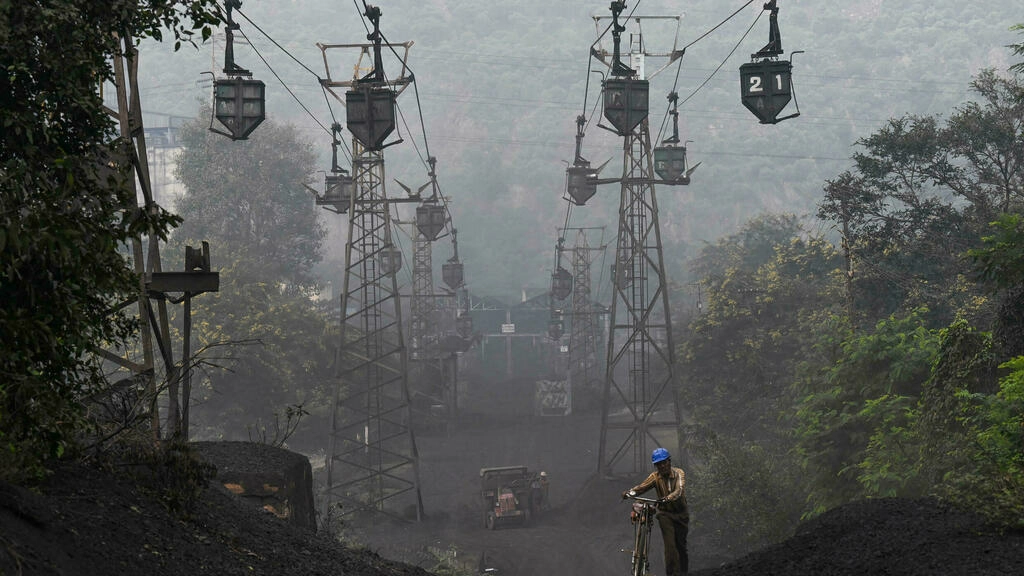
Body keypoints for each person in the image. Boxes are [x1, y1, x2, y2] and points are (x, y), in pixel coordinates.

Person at [622, 447, 689, 575]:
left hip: (681, 515)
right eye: (659, 464)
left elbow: (679, 491)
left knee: (681, 547)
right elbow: (641, 487)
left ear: (669, 461)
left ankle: (684, 573)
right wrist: (630, 493)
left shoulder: (679, 473)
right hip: (665, 514)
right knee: (670, 548)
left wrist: (668, 498)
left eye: (664, 462)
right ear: (656, 466)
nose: (662, 466)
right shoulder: (655, 477)